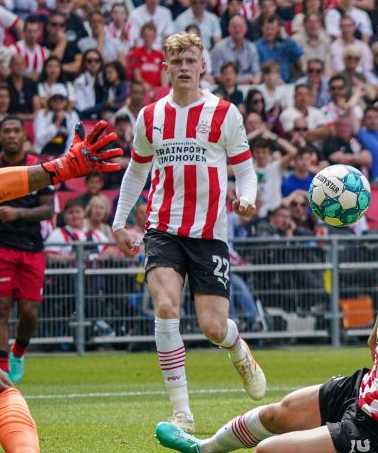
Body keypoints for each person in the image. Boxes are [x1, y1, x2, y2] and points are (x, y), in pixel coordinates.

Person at [156, 205, 378, 453]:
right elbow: (375, 343)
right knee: (275, 415)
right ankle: (203, 447)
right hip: (361, 389)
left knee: (268, 450)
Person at [111, 32, 265, 434]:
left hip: (210, 233)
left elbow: (245, 169)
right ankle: (182, 411)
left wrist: (246, 198)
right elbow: (137, 171)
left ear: (202, 66)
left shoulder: (224, 113)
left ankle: (239, 350)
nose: (183, 67)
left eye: (190, 60)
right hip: (162, 229)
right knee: (165, 308)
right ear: (166, 66)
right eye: (176, 60)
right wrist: (119, 222)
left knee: (214, 328)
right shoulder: (150, 116)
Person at [0, 116, 120, 453]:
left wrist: (62, 168)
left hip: (29, 247)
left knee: (25, 321)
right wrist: (64, 167)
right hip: (2, 247)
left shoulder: (21, 165)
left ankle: (15, 356)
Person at [0, 116, 54, 384]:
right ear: (0, 137)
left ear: (24, 137)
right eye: (7, 131)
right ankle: (2, 369)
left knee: (29, 312)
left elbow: (49, 208)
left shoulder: (37, 167)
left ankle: (19, 351)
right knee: (0, 307)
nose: (12, 135)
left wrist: (18, 213)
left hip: (31, 248)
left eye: (17, 131)